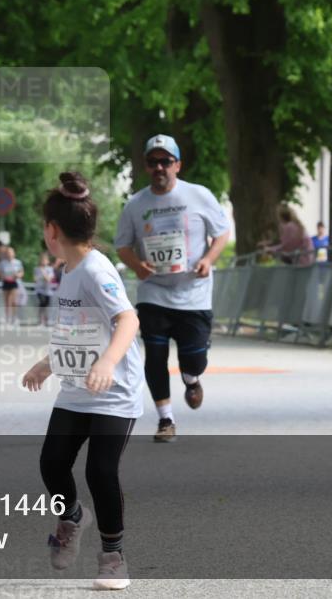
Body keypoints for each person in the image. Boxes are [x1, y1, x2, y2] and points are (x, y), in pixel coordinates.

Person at [22, 171, 143, 591]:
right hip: (76, 389)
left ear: (51, 230)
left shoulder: (95, 269)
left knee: (100, 472)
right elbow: (76, 332)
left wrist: (109, 362)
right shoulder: (69, 272)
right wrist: (46, 363)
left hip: (113, 394)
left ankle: (113, 556)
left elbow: (128, 318)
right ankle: (72, 516)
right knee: (51, 463)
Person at [114, 134, 230, 443]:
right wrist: (138, 266)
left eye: (166, 161)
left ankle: (192, 380)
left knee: (193, 360)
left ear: (177, 165)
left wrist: (208, 259)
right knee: (154, 356)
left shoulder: (199, 195)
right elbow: (122, 245)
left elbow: (221, 233)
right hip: (154, 293)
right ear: (145, 166)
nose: (159, 167)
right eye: (153, 162)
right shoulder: (136, 205)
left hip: (194, 293)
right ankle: (166, 419)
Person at [0, 245, 24, 326]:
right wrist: (2, 276)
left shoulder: (17, 262)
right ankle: (7, 318)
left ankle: (14, 318)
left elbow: (21, 272)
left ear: (13, 253)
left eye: (11, 252)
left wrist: (18, 275)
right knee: (7, 301)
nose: (9, 254)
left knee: (13, 301)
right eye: (8, 252)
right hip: (6, 282)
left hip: (14, 282)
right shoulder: (2, 262)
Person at [34, 251, 55, 325]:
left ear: (47, 261)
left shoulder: (50, 269)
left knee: (46, 305)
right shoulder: (36, 269)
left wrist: (43, 272)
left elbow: (48, 279)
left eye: (45, 260)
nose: (43, 262)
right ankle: (40, 320)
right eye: (42, 260)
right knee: (41, 303)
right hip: (40, 290)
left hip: (47, 290)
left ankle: (46, 319)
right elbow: (35, 279)